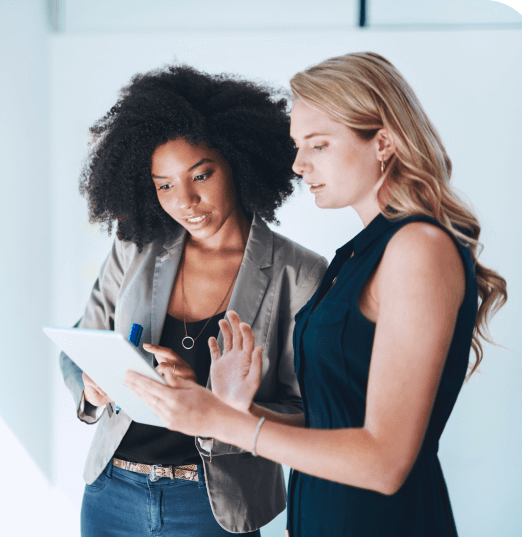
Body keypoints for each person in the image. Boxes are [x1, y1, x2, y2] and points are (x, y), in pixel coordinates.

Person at [123, 52, 508, 536]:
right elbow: (335, 426)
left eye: (318, 145)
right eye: (297, 145)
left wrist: (225, 425)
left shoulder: (417, 248)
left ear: (383, 142)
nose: (299, 164)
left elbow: (384, 463)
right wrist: (237, 408)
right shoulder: (356, 255)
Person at [58, 64, 328, 536]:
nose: (185, 200)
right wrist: (90, 386)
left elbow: (310, 414)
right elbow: (80, 342)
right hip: (111, 492)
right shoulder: (135, 247)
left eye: (200, 175)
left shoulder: (299, 274)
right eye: (164, 185)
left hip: (212, 505)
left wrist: (216, 405)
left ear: (237, 162)